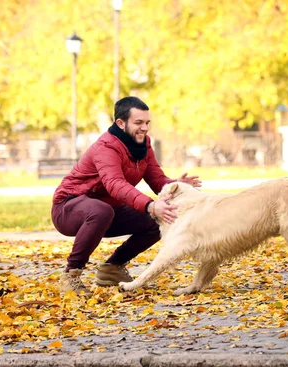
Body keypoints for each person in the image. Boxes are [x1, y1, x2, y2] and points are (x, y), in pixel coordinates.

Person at [51, 96, 202, 296]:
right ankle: (71, 275)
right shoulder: (106, 146)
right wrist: (150, 204)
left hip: (108, 211)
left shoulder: (143, 144)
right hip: (68, 207)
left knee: (158, 219)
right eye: (138, 123)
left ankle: (112, 268)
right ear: (120, 123)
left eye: (147, 122)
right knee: (103, 210)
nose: (145, 128)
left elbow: (156, 179)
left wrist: (176, 185)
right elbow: (114, 184)